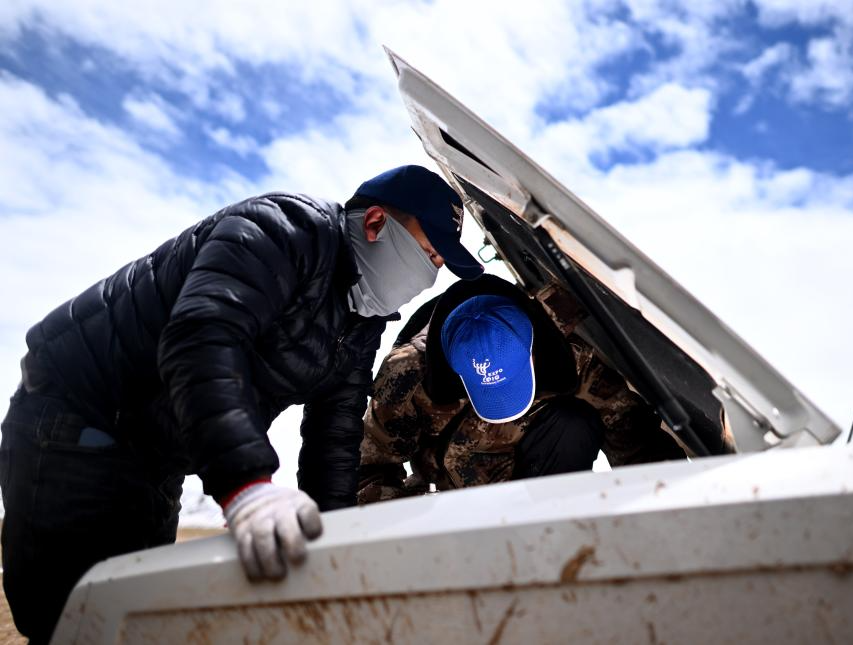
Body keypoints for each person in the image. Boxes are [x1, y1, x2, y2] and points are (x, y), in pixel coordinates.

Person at [0, 164, 482, 643]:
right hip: (77, 421)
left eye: (439, 264)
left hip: (157, 456)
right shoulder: (285, 231)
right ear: (375, 223)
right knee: (76, 622)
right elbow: (202, 339)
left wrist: (333, 546)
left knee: (136, 616)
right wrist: (247, 486)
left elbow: (333, 436)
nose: (430, 275)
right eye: (428, 253)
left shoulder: (359, 323)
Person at [358, 275, 689, 503]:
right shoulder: (407, 374)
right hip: (456, 502)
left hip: (544, 483)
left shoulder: (573, 355)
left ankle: (553, 534)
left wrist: (672, 501)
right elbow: (369, 469)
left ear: (533, 348)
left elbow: (633, 436)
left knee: (573, 423)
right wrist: (421, 519)